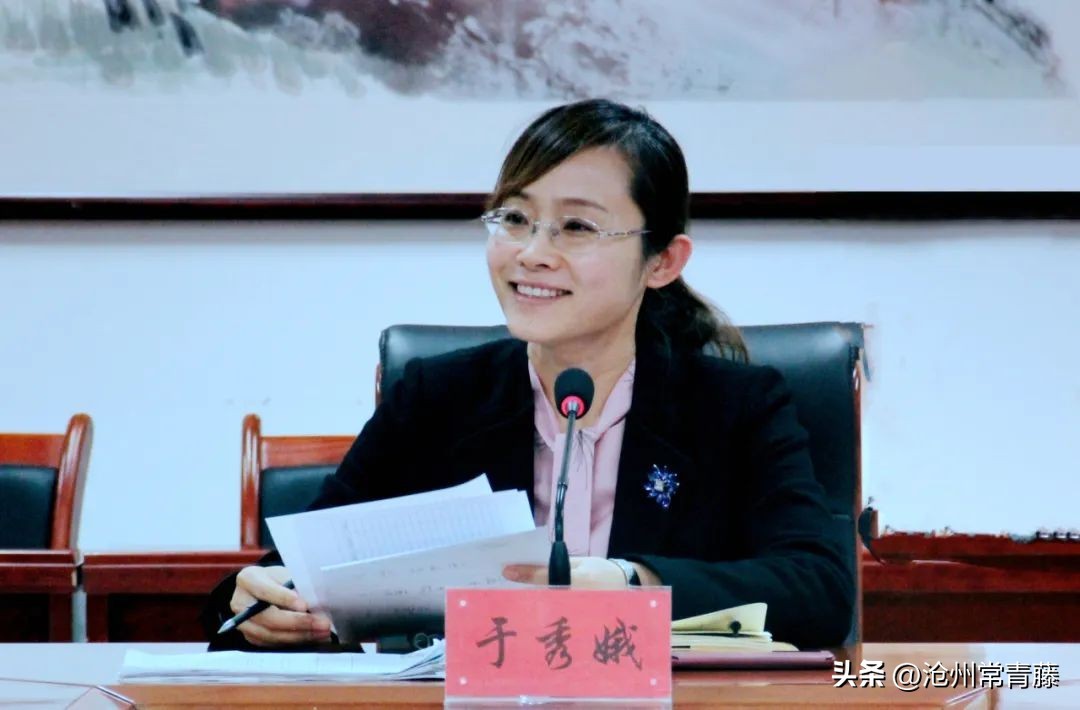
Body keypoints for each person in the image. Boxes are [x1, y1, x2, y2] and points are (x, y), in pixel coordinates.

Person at [202, 98, 854, 651]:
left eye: (576, 226)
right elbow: (281, 582)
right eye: (515, 219)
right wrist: (259, 605)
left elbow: (820, 592)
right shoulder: (438, 399)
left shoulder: (735, 407)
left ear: (662, 261)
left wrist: (631, 583)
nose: (533, 254)